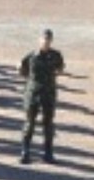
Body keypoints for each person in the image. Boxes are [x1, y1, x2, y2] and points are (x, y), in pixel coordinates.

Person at [19, 29, 65, 165]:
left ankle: (48, 153)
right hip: (33, 93)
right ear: (39, 40)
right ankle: (25, 151)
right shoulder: (31, 56)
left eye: (48, 40)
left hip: (48, 94)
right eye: (44, 39)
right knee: (29, 123)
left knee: (48, 124)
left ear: (51, 41)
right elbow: (22, 70)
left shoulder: (56, 56)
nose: (46, 42)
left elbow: (60, 68)